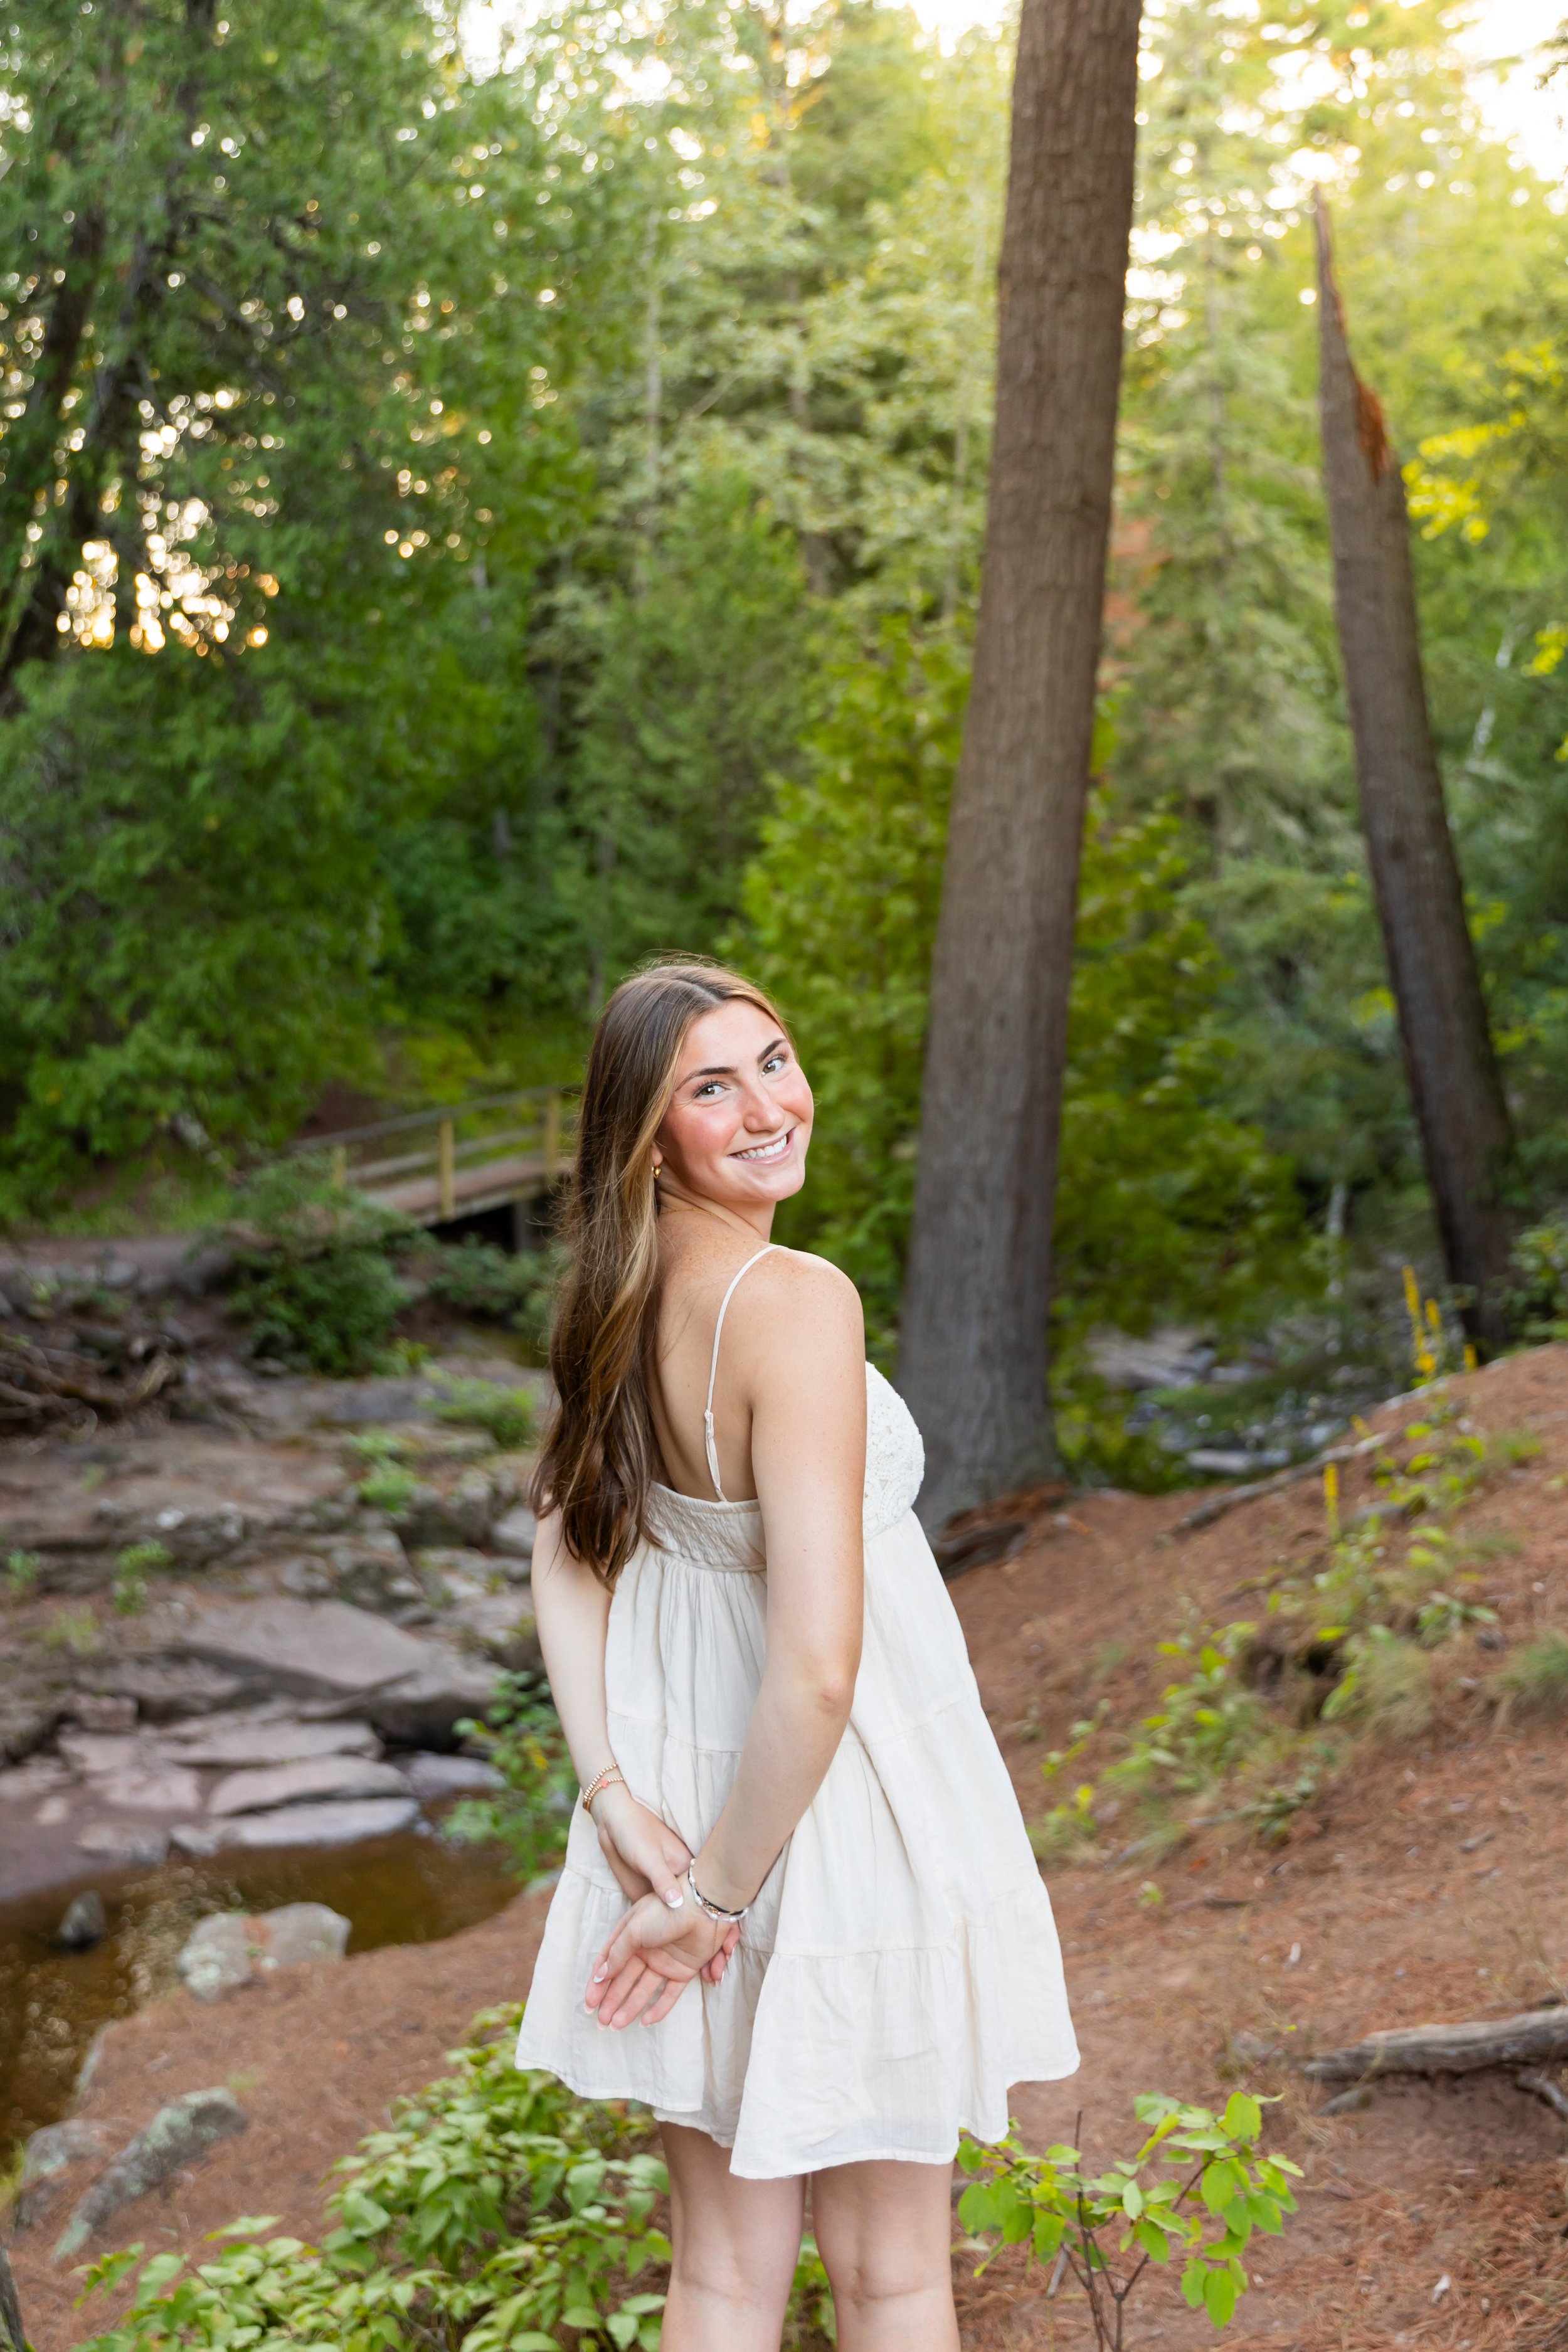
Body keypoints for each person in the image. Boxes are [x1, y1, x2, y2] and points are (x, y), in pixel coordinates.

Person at [516, 958, 1078, 2352]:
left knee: (718, 2272)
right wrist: (710, 1896)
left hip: (689, 1806)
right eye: (711, 1087)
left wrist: (613, 1799)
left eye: (773, 1059)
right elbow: (818, 1663)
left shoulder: (616, 1296)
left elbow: (560, 1544)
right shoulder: (793, 1298)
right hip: (827, 1816)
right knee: (890, 2276)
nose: (770, 1105)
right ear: (650, 1136)